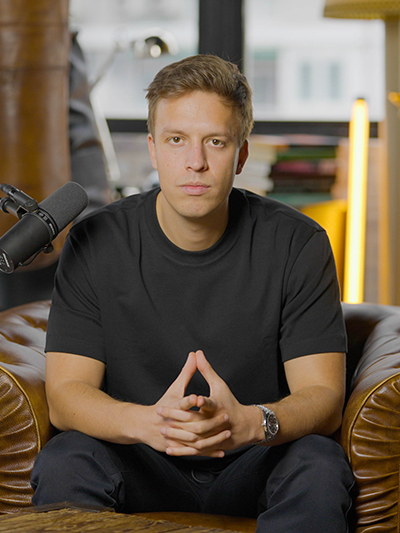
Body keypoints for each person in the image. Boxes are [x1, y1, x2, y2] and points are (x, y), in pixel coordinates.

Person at [31, 54, 354, 532]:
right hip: (140, 455)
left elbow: (323, 396)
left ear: (241, 155)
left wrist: (249, 423)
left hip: (254, 456)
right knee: (66, 458)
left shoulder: (297, 243)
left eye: (215, 142)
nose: (195, 162)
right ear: (153, 148)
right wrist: (150, 423)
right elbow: (64, 396)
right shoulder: (95, 242)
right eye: (176, 140)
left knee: (319, 464)